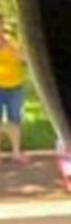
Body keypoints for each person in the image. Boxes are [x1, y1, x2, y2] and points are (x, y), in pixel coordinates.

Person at [0, 22, 24, 158]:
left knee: (14, 119)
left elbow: (23, 58)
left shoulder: (12, 42)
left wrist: (8, 47)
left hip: (15, 87)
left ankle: (16, 152)